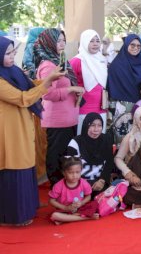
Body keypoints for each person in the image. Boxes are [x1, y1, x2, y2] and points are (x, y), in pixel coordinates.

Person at [0, 36, 67, 226]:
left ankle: (27, 209)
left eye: (14, 52)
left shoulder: (12, 71)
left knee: (25, 164)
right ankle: (12, 217)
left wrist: (47, 79)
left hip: (22, 125)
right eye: (8, 53)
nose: (13, 56)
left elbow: (31, 86)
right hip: (9, 131)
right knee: (14, 166)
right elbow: (23, 98)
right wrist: (47, 83)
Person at [35, 28, 83, 185]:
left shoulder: (60, 60)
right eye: (58, 41)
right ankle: (56, 189)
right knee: (56, 157)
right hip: (57, 120)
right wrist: (71, 89)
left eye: (64, 40)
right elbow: (47, 94)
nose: (62, 44)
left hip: (68, 117)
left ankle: (66, 188)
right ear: (49, 42)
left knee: (65, 156)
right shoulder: (48, 65)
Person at [69, 29, 108, 135]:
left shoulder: (102, 60)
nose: (95, 44)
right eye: (91, 41)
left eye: (97, 41)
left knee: (99, 140)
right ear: (85, 41)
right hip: (83, 108)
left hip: (101, 107)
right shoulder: (76, 61)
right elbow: (68, 83)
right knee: (83, 139)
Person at [65, 113, 113, 197]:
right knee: (75, 201)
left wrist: (102, 180)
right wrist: (84, 185)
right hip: (79, 182)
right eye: (92, 125)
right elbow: (70, 168)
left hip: (99, 182)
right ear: (86, 126)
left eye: (99, 125)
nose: (96, 129)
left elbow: (109, 163)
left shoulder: (106, 140)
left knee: (110, 200)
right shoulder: (75, 142)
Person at [107, 34, 141, 116]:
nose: (136, 48)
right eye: (132, 45)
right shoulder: (116, 65)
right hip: (122, 107)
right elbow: (111, 88)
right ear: (126, 45)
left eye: (139, 46)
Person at [48, 156, 99, 225]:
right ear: (64, 173)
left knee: (95, 204)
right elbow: (51, 200)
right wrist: (65, 208)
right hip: (64, 210)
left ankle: (68, 218)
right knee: (55, 215)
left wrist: (82, 203)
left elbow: (88, 196)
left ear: (81, 171)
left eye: (77, 172)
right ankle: (86, 218)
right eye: (71, 173)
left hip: (79, 208)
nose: (74, 175)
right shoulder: (58, 185)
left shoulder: (84, 183)